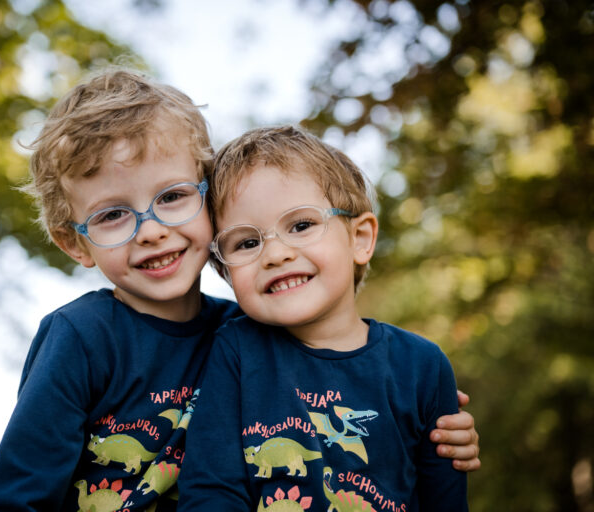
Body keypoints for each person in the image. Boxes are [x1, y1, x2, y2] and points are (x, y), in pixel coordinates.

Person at [0, 71, 479, 512]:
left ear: (209, 206)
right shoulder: (81, 339)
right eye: (112, 214)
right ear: (74, 243)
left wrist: (433, 417)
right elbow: (17, 495)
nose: (150, 230)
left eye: (172, 197)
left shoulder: (251, 334)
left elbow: (351, 377)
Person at [178, 125, 470, 511]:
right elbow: (212, 492)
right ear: (226, 272)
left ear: (360, 239)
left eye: (301, 225)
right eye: (247, 242)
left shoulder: (422, 367)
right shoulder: (235, 352)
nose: (276, 254)